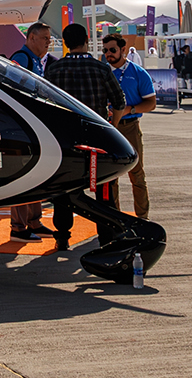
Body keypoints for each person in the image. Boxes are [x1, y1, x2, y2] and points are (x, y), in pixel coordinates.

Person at [45, 23, 128, 250]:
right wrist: (113, 124)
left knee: (64, 189)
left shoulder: (53, 70)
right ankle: (106, 237)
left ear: (65, 42)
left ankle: (62, 236)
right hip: (96, 137)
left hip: (65, 140)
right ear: (87, 39)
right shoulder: (100, 69)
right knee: (103, 188)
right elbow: (119, 101)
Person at [7, 22, 54, 242]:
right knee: (20, 176)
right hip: (18, 130)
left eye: (49, 38)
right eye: (44, 38)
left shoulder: (35, 60)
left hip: (31, 128)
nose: (48, 42)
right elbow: (13, 91)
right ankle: (18, 227)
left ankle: (34, 221)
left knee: (35, 174)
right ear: (31, 37)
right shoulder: (21, 58)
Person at [102, 34, 155, 218]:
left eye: (113, 50)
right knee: (110, 176)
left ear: (123, 50)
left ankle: (143, 217)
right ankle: (114, 217)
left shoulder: (138, 73)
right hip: (107, 127)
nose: (108, 54)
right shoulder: (101, 71)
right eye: (105, 50)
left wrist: (130, 110)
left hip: (130, 126)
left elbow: (151, 103)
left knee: (137, 174)